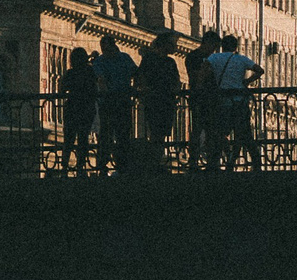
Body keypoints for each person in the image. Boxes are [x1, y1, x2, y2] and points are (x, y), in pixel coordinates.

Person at [212, 35, 263, 172]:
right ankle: (254, 162)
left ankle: (224, 158)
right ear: (236, 47)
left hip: (222, 100)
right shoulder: (241, 59)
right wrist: (246, 82)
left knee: (221, 131)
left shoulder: (214, 58)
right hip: (240, 101)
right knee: (243, 132)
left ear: (222, 46)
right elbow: (259, 70)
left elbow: (205, 71)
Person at [92, 35, 138, 174]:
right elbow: (136, 74)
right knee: (116, 134)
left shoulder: (105, 60)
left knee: (111, 134)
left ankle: (108, 164)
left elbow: (101, 80)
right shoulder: (123, 58)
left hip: (112, 102)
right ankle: (119, 164)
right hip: (118, 101)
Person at [138, 31, 185, 162]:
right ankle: (155, 160)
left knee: (161, 133)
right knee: (156, 132)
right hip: (156, 101)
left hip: (166, 102)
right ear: (164, 44)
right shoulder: (150, 59)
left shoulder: (170, 61)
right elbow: (141, 78)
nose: (175, 48)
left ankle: (157, 159)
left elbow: (177, 81)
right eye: (173, 44)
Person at [60, 47, 100, 176]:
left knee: (68, 139)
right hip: (86, 108)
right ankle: (80, 166)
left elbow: (62, 89)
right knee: (83, 138)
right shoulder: (90, 72)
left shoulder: (71, 73)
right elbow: (95, 88)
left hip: (72, 108)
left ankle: (64, 166)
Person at [187, 36, 224, 172]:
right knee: (197, 130)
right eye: (213, 46)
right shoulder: (194, 57)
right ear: (206, 43)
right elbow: (194, 75)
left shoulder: (212, 58)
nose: (213, 50)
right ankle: (193, 161)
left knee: (212, 130)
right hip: (199, 98)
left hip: (212, 98)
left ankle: (212, 162)